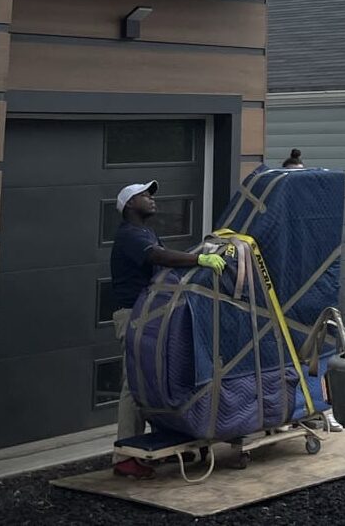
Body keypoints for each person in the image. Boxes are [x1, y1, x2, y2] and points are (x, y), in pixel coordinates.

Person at [109, 180, 226, 479]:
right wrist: (198, 259)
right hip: (132, 316)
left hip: (148, 315)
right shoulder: (130, 235)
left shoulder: (145, 232)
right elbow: (157, 257)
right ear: (129, 205)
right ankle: (124, 455)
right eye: (144, 195)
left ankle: (151, 444)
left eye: (150, 194)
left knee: (154, 380)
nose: (151, 199)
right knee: (133, 384)